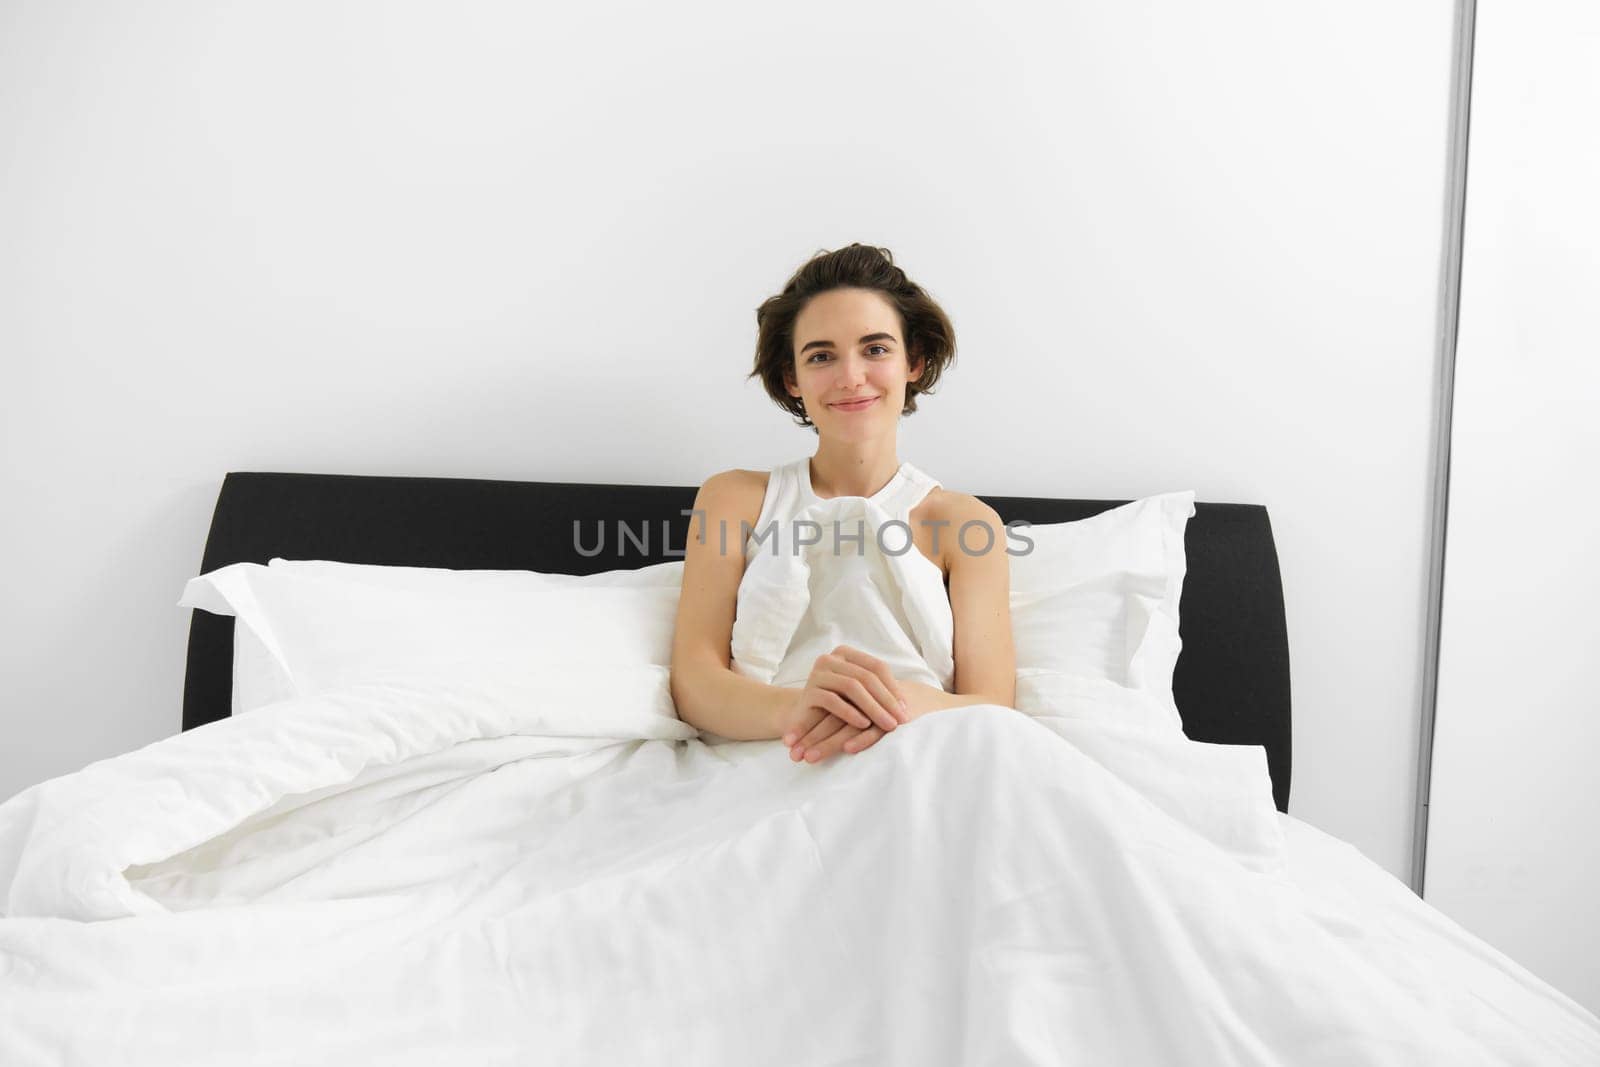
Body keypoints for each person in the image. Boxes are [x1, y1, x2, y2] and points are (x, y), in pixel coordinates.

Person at [669, 243, 1016, 766]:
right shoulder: (734, 500)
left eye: (875, 349)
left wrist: (881, 705)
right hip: (773, 754)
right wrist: (801, 710)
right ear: (793, 379)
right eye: (821, 356)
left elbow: (990, 704)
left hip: (922, 752)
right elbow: (695, 683)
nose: (851, 377)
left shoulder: (965, 523)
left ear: (913, 362)